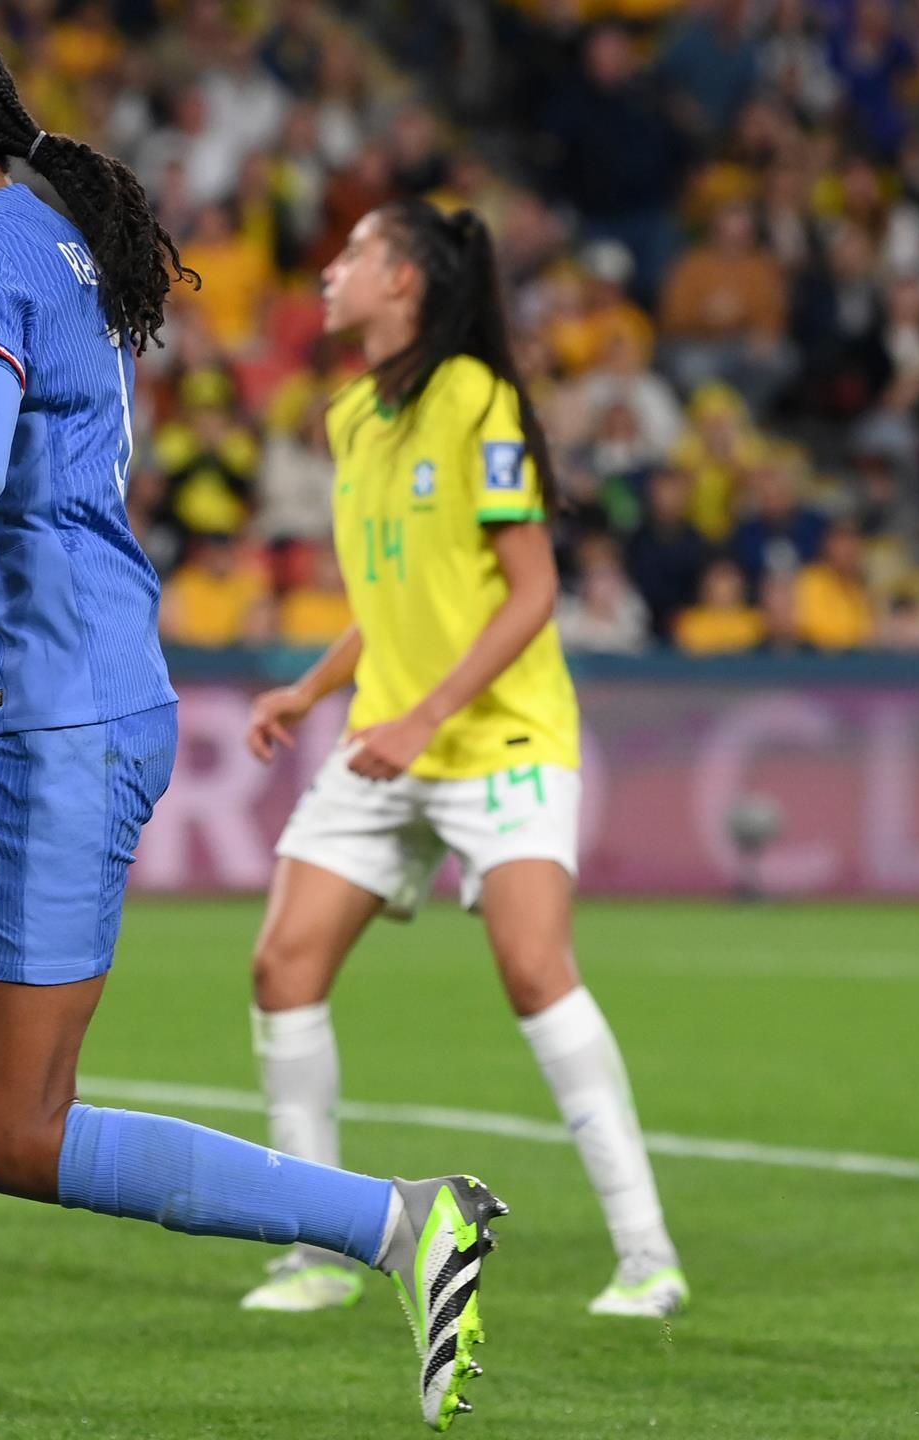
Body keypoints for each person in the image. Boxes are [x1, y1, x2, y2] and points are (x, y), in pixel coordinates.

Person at [0, 12, 503, 1435]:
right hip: (21, 708)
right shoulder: (44, 238)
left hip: (58, 728)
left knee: (12, 1134)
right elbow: (40, 483)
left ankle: (401, 1221)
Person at [237, 199, 687, 1322]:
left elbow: (531, 590)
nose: (330, 271)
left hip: (497, 738)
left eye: (352, 256)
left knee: (535, 971)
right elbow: (396, 595)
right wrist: (312, 686)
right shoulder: (350, 418)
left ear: (405, 284)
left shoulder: (477, 401)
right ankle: (321, 1250)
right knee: (281, 968)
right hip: (388, 733)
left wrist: (426, 717)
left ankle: (647, 1257)